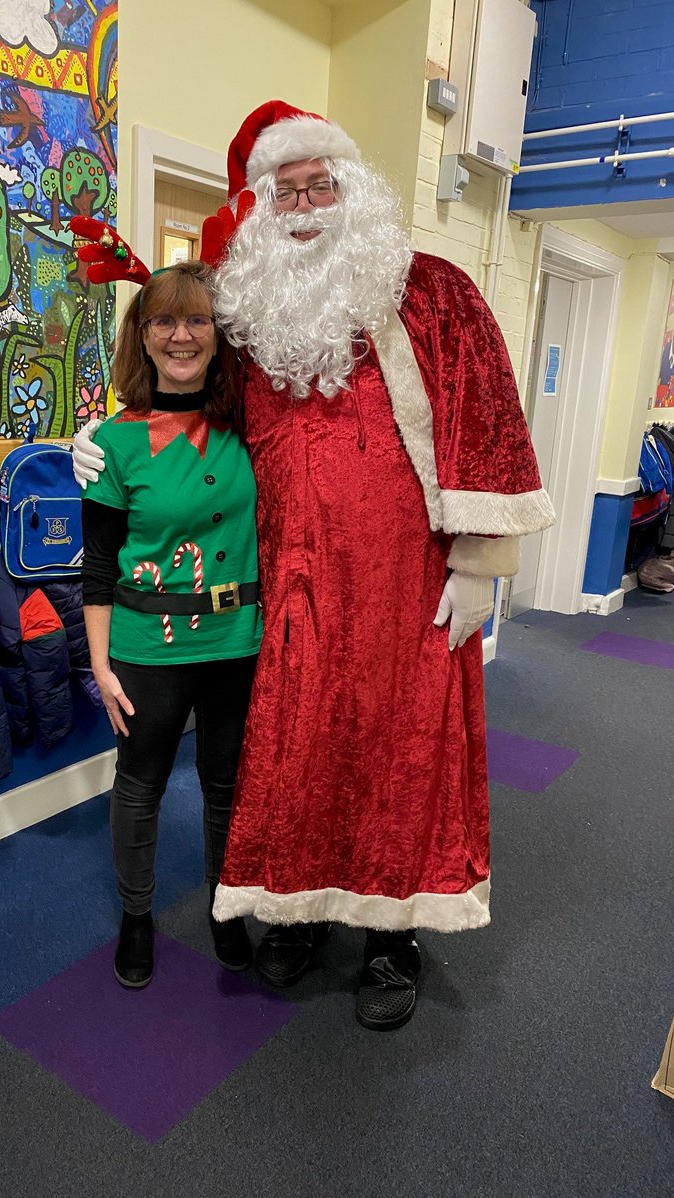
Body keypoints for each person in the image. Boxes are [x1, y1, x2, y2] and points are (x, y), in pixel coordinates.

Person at [76, 101, 554, 1028]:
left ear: (353, 188)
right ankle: (293, 913)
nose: (303, 203)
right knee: (288, 756)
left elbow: (489, 421)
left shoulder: (434, 291)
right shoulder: (247, 318)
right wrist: (96, 438)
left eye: (318, 183)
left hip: (402, 588)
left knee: (394, 756)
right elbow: (181, 399)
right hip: (281, 588)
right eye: (284, 189)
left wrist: (478, 562)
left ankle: (390, 940)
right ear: (261, 204)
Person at [81, 260, 263, 989]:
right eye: (163, 320)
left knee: (226, 784)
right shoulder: (113, 445)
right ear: (142, 335)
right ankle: (135, 916)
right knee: (141, 783)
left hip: (234, 642)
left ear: (220, 336)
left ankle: (227, 905)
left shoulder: (252, 427)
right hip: (144, 647)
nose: (180, 335)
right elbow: (96, 569)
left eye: (197, 319)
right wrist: (99, 666)